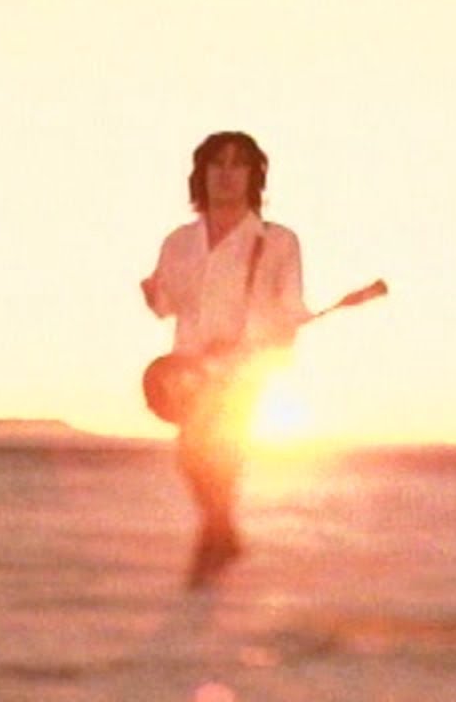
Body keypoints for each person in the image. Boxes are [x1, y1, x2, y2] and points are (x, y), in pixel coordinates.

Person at [141, 131, 308, 587]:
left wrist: (262, 335)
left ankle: (214, 543)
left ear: (254, 176)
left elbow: (290, 306)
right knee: (194, 456)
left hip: (244, 369)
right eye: (218, 164)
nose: (227, 174)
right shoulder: (179, 241)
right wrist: (153, 294)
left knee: (213, 449)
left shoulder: (278, 241)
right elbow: (166, 306)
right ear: (202, 174)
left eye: (238, 164)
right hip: (188, 367)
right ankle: (223, 535)